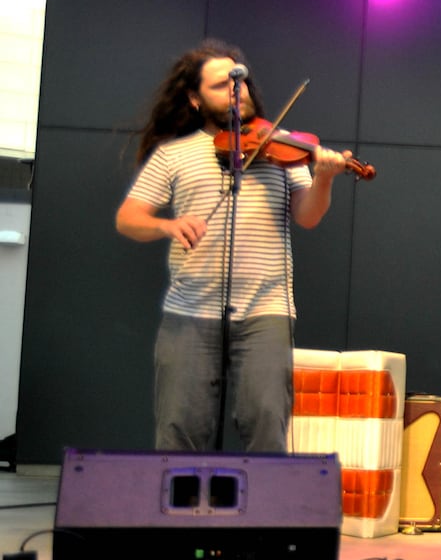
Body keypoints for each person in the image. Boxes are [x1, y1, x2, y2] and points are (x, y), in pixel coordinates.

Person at [115, 39, 351, 452]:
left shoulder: (281, 150)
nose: (236, 91)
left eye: (240, 82)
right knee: (180, 429)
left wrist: (326, 177)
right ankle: (180, 516)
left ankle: (260, 516)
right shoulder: (175, 155)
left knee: (265, 423)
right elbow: (129, 218)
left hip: (266, 309)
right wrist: (167, 226)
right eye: (222, 85)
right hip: (189, 312)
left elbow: (309, 216)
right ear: (194, 98)